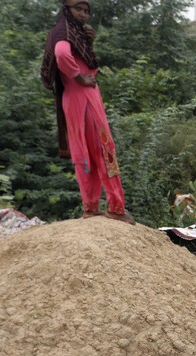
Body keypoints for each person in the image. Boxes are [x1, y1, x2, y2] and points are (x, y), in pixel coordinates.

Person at [41, 0, 134, 224]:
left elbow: (75, 56)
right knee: (104, 149)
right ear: (67, 10)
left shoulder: (73, 31)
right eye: (78, 9)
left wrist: (88, 41)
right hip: (83, 98)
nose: (83, 14)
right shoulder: (64, 31)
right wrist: (78, 76)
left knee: (86, 154)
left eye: (86, 11)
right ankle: (116, 207)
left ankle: (91, 207)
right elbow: (62, 54)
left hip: (76, 99)